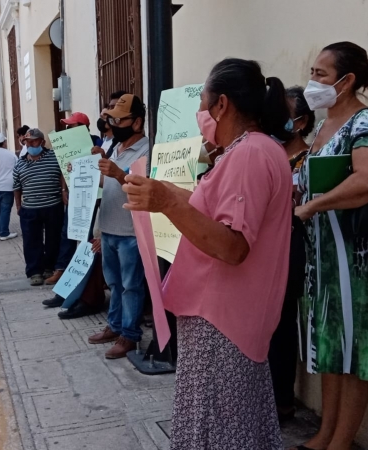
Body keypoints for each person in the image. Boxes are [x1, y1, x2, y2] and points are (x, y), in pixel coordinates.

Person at [122, 58, 292, 448]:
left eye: (202, 101)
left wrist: (168, 201)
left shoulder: (249, 154)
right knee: (231, 424)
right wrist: (165, 196)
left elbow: (232, 246)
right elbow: (214, 214)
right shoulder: (252, 150)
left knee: (218, 428)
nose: (199, 113)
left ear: (222, 105)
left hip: (222, 319)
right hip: (225, 316)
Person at [294, 42, 368, 450]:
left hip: (358, 258)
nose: (312, 81)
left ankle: (342, 441)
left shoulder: (366, 121)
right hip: (323, 259)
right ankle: (326, 433)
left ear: (347, 80)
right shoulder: (322, 126)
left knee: (357, 349)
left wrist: (314, 206)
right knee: (331, 346)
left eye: (320, 74)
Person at [86, 94, 150, 360]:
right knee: (114, 284)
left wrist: (118, 173)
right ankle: (114, 326)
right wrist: (89, 170)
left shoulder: (147, 150)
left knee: (131, 286)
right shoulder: (116, 147)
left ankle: (130, 335)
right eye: (111, 119)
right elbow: (108, 184)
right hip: (111, 228)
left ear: (137, 122)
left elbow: (144, 187)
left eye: (118, 119)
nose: (113, 124)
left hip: (131, 233)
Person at [267, 86, 316, 423]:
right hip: (261, 253)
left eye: (284, 116)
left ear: (300, 122)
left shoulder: (310, 161)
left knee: (282, 328)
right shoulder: (266, 155)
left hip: (291, 253)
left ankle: (282, 400)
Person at [13, 128, 68, 286]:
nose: (30, 144)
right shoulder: (20, 163)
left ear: (42, 142)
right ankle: (35, 271)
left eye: (34, 141)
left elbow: (63, 173)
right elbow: (16, 187)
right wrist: (18, 206)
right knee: (31, 241)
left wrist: (63, 190)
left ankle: (49, 268)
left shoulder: (54, 156)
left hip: (53, 206)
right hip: (29, 208)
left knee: (53, 239)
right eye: (27, 142)